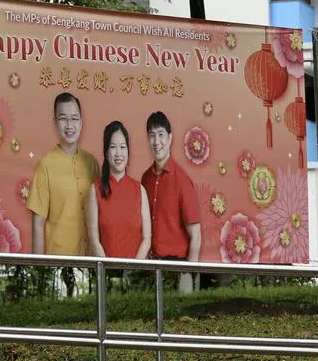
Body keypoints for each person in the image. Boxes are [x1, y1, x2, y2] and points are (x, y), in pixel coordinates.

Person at [27, 92, 100, 256]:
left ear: (81, 122)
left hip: (90, 260)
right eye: (63, 119)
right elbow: (38, 224)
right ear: (55, 122)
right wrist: (38, 265)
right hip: (59, 260)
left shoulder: (92, 164)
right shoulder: (45, 165)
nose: (69, 125)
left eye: (74, 119)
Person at [140, 111, 201, 290]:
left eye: (161, 135)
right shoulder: (145, 179)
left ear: (170, 137)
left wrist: (189, 275)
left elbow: (196, 235)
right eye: (152, 135)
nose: (156, 142)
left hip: (178, 269)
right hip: (151, 269)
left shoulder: (182, 180)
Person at [86, 121, 151, 259]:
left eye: (123, 147)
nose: (118, 153)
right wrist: (108, 271)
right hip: (105, 272)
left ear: (128, 151)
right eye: (113, 147)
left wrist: (133, 270)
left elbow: (147, 239)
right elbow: (94, 240)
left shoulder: (140, 190)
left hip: (135, 274)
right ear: (106, 152)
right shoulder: (95, 190)